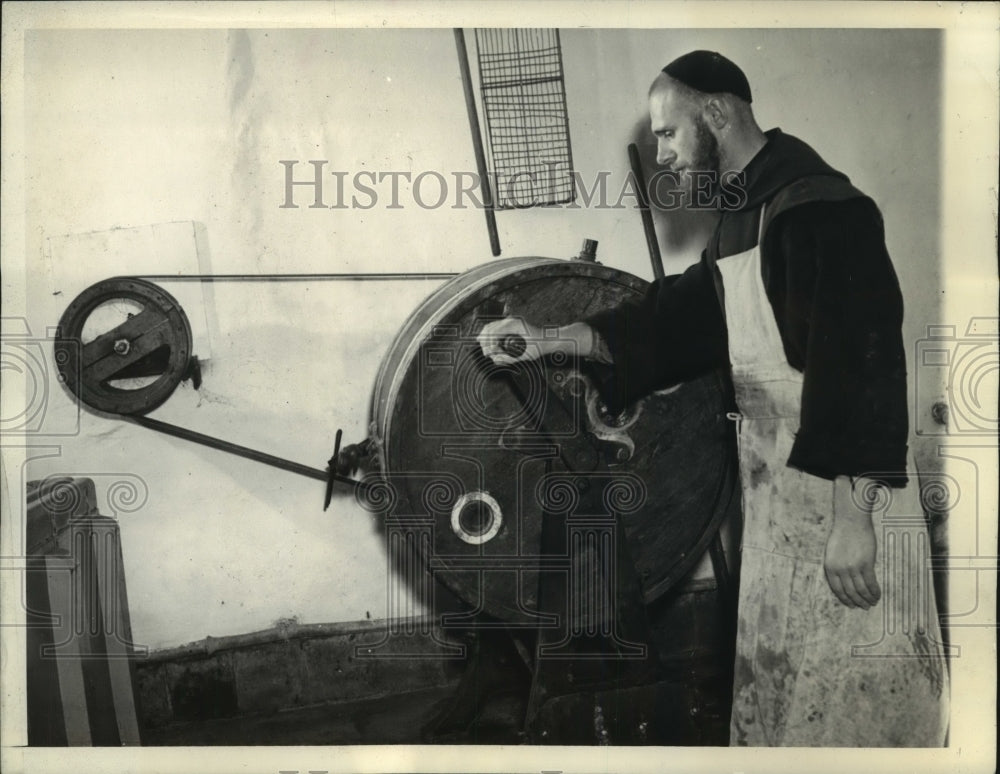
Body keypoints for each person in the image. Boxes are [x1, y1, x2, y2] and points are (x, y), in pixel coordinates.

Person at [478, 50, 949, 747]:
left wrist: (855, 522)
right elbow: (668, 323)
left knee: (867, 698)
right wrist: (545, 339)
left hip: (845, 508)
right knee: (794, 697)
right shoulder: (741, 222)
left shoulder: (821, 209)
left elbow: (862, 370)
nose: (660, 152)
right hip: (781, 508)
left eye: (668, 133)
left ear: (718, 114)